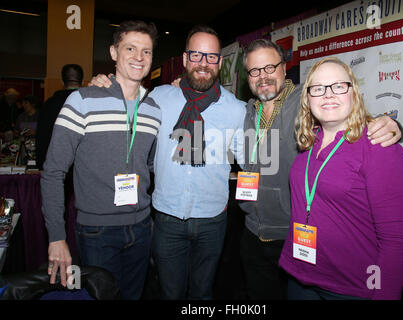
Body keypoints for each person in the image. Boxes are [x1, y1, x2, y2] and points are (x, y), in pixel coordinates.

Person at [90, 25, 246, 300]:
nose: (203, 63)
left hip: (212, 221)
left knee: (203, 293)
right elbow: (122, 100)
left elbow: (252, 160)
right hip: (166, 219)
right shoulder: (158, 99)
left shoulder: (236, 109)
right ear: (185, 60)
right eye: (196, 55)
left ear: (220, 63)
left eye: (211, 57)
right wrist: (103, 84)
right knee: (169, 293)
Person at [238, 39, 402, 300]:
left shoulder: (307, 98)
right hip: (253, 231)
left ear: (284, 68)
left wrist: (391, 124)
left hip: (291, 234)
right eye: (255, 71)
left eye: (270, 67)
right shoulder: (246, 111)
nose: (263, 76)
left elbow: (346, 113)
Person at [40, 20, 161, 300]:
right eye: (130, 48)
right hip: (97, 231)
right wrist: (57, 236)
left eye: (147, 51)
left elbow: (152, 166)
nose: (139, 57)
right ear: (113, 52)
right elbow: (53, 172)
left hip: (142, 227)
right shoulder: (82, 101)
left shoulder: (154, 109)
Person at [278, 57, 403, 300]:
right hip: (299, 278)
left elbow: (395, 242)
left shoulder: (379, 147)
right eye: (318, 89)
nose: (328, 95)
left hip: (351, 288)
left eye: (338, 86)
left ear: (354, 93)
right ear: (308, 100)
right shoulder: (307, 143)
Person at [36, 64, 84, 170]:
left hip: (56, 163)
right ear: (83, 81)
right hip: (83, 165)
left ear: (62, 82)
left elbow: (42, 136)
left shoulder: (49, 104)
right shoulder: (89, 104)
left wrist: (41, 164)